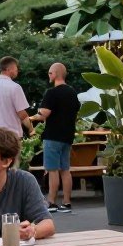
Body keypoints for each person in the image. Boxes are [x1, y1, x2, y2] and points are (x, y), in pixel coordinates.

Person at [30, 63, 80, 213]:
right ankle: (66, 202)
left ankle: (51, 202)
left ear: (56, 74)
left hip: (53, 136)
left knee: (52, 170)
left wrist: (34, 115)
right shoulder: (72, 92)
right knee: (65, 170)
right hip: (67, 136)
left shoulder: (51, 93)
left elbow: (44, 113)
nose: (49, 75)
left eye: (50, 73)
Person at [0, 56, 32, 137]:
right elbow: (22, 114)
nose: (17, 70)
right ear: (9, 69)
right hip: (12, 136)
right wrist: (31, 129)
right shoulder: (15, 87)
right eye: (15, 68)